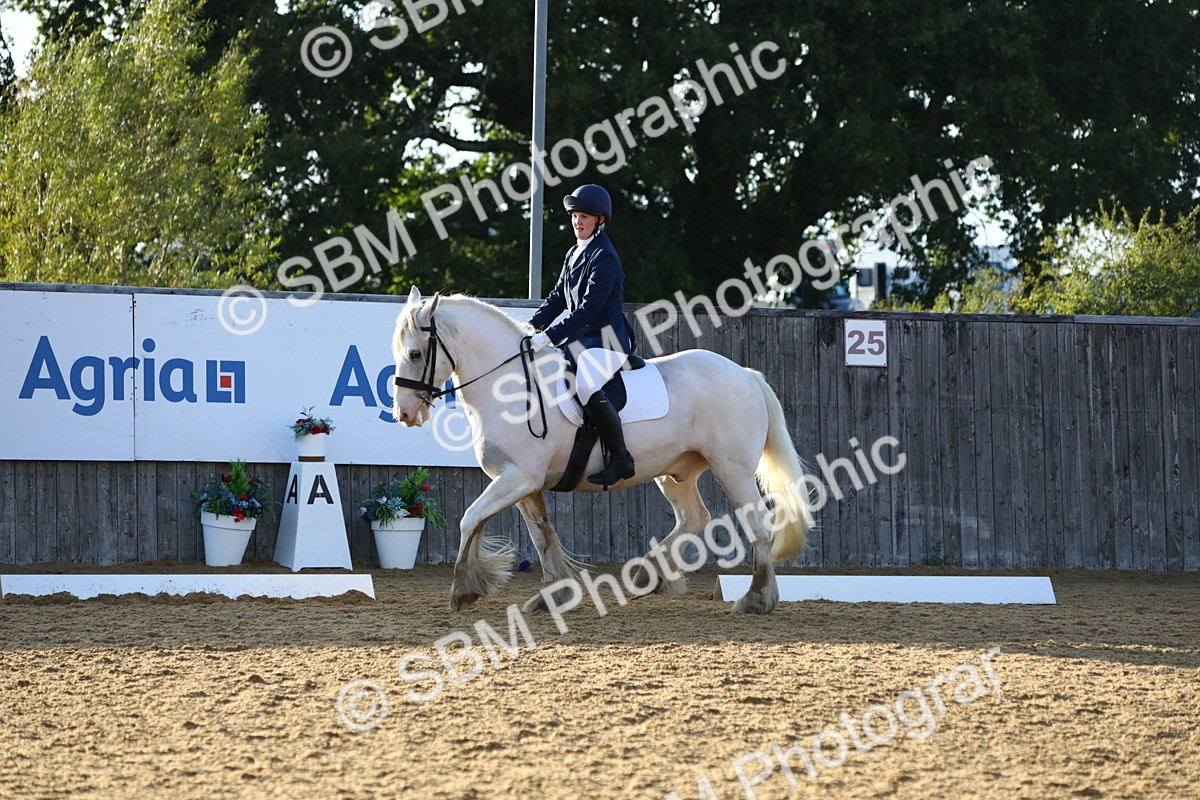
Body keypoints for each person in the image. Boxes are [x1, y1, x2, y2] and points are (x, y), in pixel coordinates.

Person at [529, 184, 638, 487]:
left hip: (608, 340)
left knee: (587, 384)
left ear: (600, 220)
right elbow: (557, 298)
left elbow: (589, 308)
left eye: (586, 216)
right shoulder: (574, 253)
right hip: (581, 341)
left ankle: (620, 458)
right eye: (575, 215)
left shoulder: (605, 257)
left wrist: (549, 336)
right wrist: (530, 328)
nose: (578, 221)